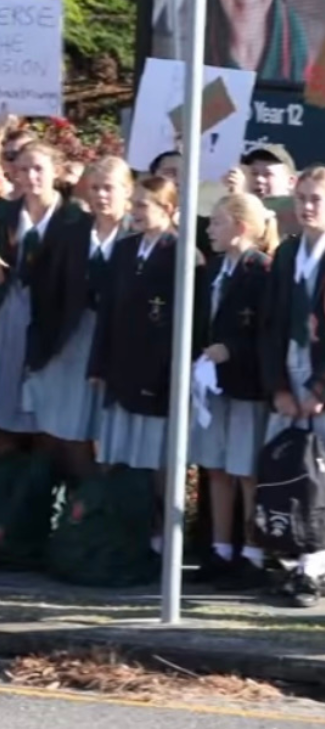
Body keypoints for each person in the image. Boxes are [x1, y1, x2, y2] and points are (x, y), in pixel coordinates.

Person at [90, 175, 205, 555]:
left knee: (158, 459)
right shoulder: (124, 251)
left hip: (161, 374)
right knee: (116, 452)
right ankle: (121, 528)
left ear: (169, 209)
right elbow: (107, 311)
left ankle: (162, 536)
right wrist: (98, 364)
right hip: (121, 369)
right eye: (134, 203)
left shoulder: (183, 254)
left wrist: (176, 373)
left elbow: (193, 322)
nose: (135, 212)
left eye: (144, 205)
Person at [23, 157, 132, 482]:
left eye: (109, 188)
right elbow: (45, 290)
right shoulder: (72, 233)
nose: (101, 196)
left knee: (114, 433)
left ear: (127, 190)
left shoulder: (139, 235)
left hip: (120, 346)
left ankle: (116, 511)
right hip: (72, 340)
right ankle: (81, 504)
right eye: (95, 188)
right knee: (69, 428)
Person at [191, 192, 277, 591]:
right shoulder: (215, 269)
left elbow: (267, 330)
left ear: (240, 227)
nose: (209, 230)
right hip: (216, 384)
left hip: (246, 385)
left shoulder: (261, 271)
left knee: (246, 470)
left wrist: (232, 350)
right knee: (218, 466)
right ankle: (221, 548)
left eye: (217, 223)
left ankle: (253, 552)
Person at [0, 142, 64, 458]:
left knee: (51, 427)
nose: (30, 176)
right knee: (2, 426)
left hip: (54, 330)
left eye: (38, 169)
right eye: (22, 169)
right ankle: (6, 498)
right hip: (6, 324)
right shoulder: (4, 213)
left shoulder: (74, 218)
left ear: (55, 172)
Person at [260, 166, 325, 606]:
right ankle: (287, 562)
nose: (306, 206)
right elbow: (269, 325)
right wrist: (280, 387)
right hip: (288, 371)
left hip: (320, 380)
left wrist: (320, 389)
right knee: (287, 469)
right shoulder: (286, 254)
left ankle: (314, 570)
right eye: (301, 197)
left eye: (316, 199)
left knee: (322, 474)